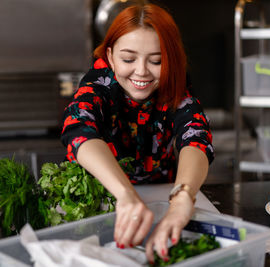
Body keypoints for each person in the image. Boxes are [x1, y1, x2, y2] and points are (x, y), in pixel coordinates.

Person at [61, 3, 214, 264]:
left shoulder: (176, 89)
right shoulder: (97, 86)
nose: (141, 71)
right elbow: (78, 130)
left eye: (156, 60)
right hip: (101, 203)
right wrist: (126, 195)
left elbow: (196, 137)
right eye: (128, 59)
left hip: (162, 196)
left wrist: (182, 197)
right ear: (110, 56)